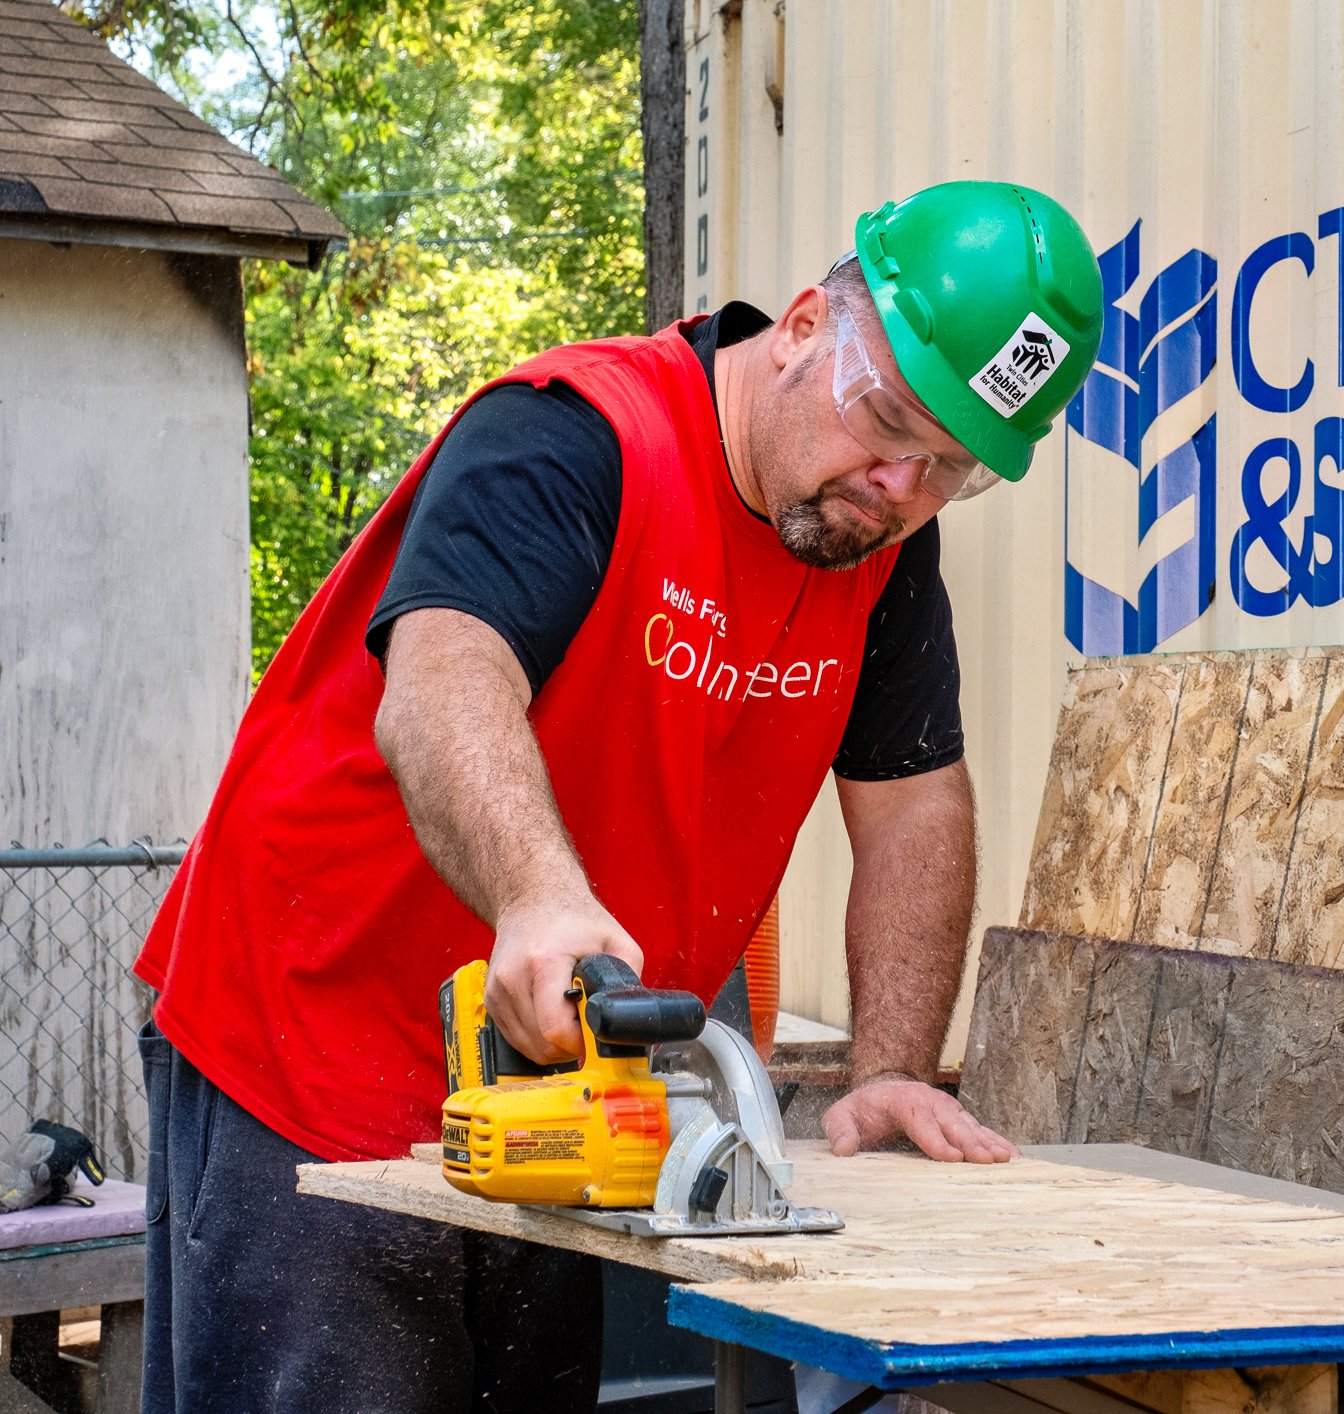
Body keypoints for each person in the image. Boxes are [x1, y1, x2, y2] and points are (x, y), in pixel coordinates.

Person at [133, 179, 1103, 1413]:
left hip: (560, 1081)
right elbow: (443, 673)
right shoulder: (574, 432)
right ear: (805, 324)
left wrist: (885, 1068)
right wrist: (538, 896)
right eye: (889, 420)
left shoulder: (880, 548)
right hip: (312, 1033)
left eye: (950, 469)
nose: (900, 487)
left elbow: (914, 802)